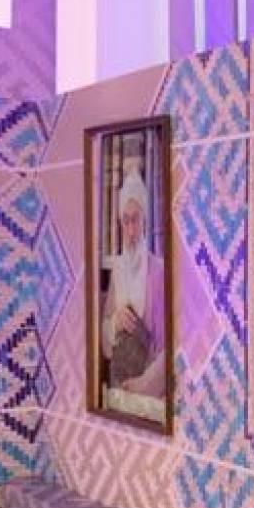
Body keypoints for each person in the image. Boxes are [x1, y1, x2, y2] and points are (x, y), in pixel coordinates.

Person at [100, 170, 166, 401]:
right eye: (126, 221)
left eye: (135, 219)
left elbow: (168, 346)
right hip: (118, 381)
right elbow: (104, 339)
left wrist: (144, 382)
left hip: (147, 385)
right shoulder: (117, 270)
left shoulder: (159, 271)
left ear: (144, 220)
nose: (131, 231)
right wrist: (115, 322)